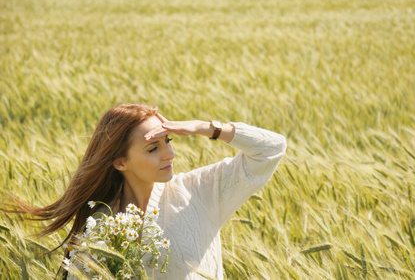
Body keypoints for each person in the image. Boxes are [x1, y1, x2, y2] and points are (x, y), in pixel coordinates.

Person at [3, 103, 287, 279]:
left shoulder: (200, 191)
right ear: (120, 161)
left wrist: (206, 128)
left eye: (169, 141)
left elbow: (271, 149)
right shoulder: (98, 224)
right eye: (154, 148)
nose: (169, 154)